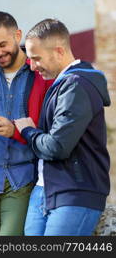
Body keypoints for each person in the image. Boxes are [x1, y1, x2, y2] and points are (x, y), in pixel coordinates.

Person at [15, 18, 111, 236]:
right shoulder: (64, 83)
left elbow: (57, 146)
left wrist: (27, 131)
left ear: (59, 51)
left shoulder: (76, 84)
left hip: (75, 194)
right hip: (44, 191)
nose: (32, 66)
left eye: (36, 58)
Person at [0, 11, 53, 236]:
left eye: (2, 44)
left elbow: (51, 134)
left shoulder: (42, 79)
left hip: (22, 182)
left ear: (18, 35)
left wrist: (14, 131)